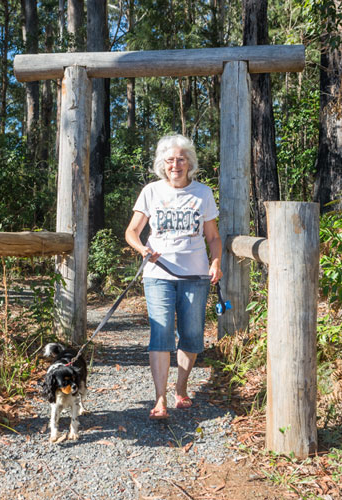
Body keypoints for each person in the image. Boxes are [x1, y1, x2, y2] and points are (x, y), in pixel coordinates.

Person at [125, 134, 223, 420]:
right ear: (162, 164)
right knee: (161, 334)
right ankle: (160, 398)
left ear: (189, 163)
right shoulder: (151, 191)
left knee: (192, 336)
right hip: (158, 274)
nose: (176, 165)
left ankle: (181, 387)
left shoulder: (203, 193)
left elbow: (213, 237)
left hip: (195, 275)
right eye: (170, 160)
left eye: (181, 159)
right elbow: (132, 231)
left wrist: (215, 262)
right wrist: (142, 247)